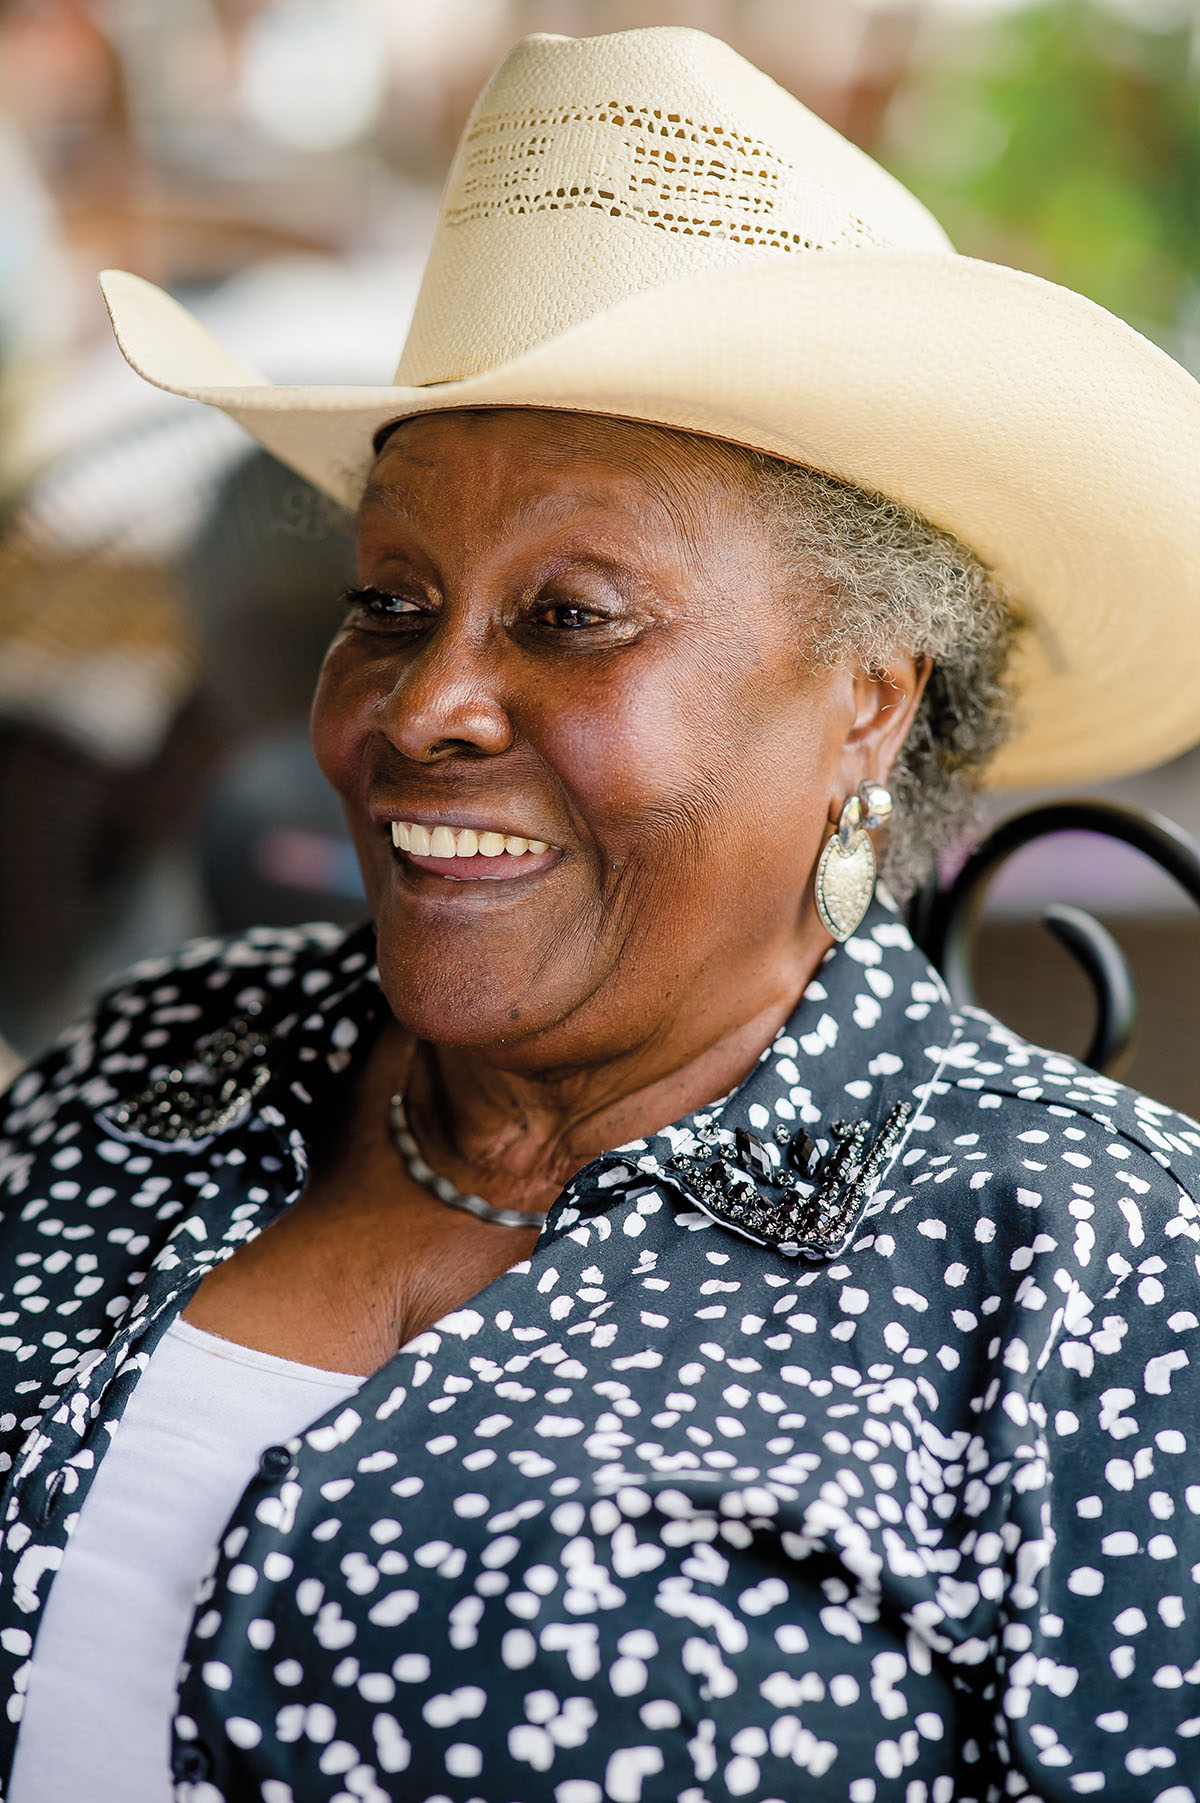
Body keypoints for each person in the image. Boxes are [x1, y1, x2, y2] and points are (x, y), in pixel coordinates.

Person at [2, 24, 1200, 1803]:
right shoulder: (158, 1061)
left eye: (570, 616)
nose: (422, 707)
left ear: (866, 696)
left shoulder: (1090, 1270)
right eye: (391, 598)